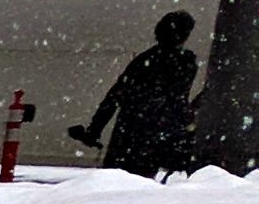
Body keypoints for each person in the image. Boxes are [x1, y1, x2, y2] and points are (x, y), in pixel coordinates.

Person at [73, 11, 202, 177]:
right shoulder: (186, 62)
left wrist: (94, 131)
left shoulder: (144, 60)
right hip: (154, 135)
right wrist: (186, 127)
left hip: (128, 132)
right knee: (138, 185)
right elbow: (177, 99)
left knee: (114, 182)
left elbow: (114, 97)